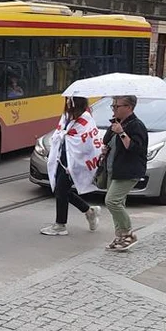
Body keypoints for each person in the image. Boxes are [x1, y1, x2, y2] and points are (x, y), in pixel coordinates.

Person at [41, 96, 102, 236]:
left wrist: (67, 137)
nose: (67, 102)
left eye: (70, 100)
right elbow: (61, 132)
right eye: (67, 99)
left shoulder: (85, 118)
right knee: (61, 189)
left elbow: (86, 142)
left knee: (61, 190)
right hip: (63, 157)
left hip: (75, 160)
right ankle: (89, 211)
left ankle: (60, 224)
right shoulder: (67, 116)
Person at [102, 95, 148, 251]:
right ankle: (120, 237)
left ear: (129, 107)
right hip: (112, 169)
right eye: (112, 106)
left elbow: (136, 148)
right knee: (118, 203)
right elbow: (106, 141)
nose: (114, 110)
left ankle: (128, 232)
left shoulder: (136, 125)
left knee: (112, 201)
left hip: (128, 170)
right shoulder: (115, 123)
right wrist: (105, 148)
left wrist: (121, 133)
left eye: (117, 106)